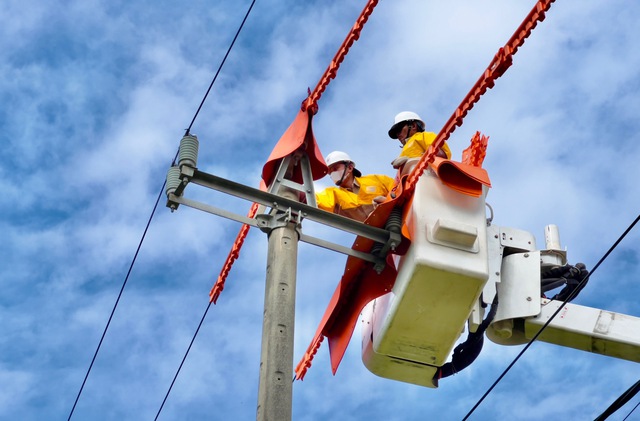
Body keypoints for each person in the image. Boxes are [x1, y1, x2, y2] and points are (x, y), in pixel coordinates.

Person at [316, 151, 395, 222]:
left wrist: (387, 202)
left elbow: (399, 191)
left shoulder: (378, 180)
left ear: (350, 168)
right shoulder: (334, 195)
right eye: (330, 173)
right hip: (374, 235)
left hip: (397, 223)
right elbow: (315, 200)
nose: (333, 174)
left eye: (335, 169)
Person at [387, 111, 452, 175]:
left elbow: (441, 157)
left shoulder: (424, 136)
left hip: (427, 177)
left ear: (413, 126)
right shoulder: (404, 151)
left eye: (399, 129)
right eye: (396, 133)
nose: (398, 134)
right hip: (411, 182)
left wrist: (412, 161)